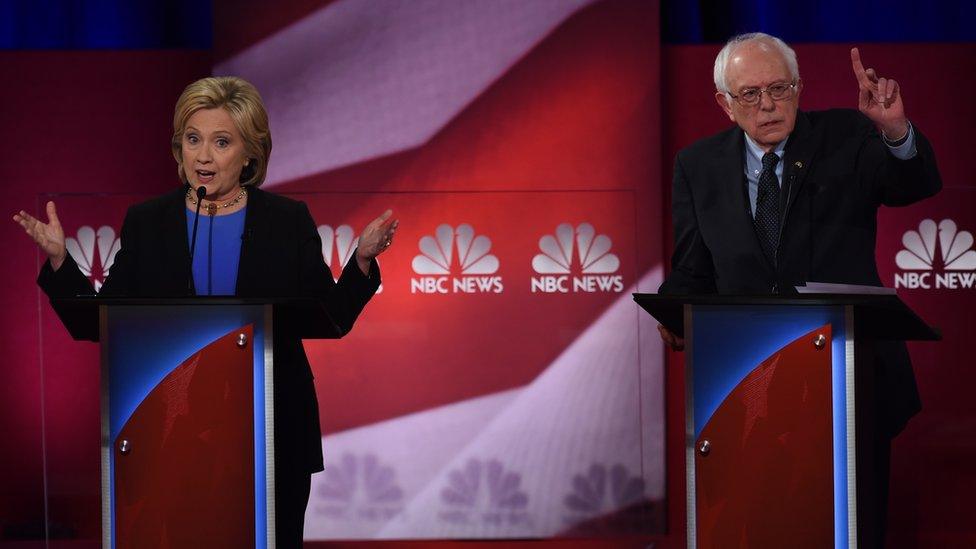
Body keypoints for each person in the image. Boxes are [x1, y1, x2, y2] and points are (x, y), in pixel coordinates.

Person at [13, 76, 398, 547]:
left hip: (270, 431)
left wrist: (360, 262)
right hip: (172, 430)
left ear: (250, 153)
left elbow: (331, 317)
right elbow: (102, 321)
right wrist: (59, 261)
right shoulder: (149, 222)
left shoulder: (286, 220)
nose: (203, 157)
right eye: (192, 140)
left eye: (221, 142)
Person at [657, 33, 942, 543]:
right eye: (749, 94)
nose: (767, 104)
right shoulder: (696, 166)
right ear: (725, 104)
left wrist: (895, 131)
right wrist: (672, 311)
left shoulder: (847, 135)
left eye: (779, 88)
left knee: (849, 525)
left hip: (847, 378)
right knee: (758, 523)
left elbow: (913, 185)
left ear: (799, 87)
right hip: (748, 387)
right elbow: (694, 267)